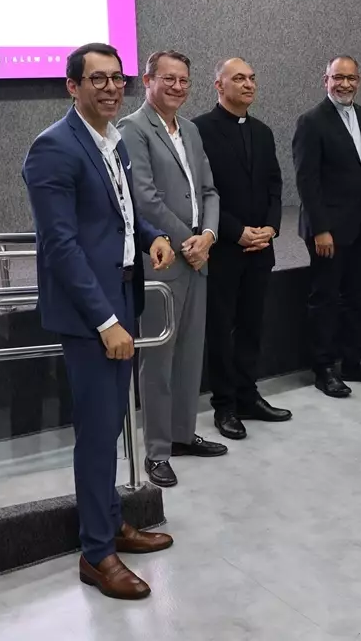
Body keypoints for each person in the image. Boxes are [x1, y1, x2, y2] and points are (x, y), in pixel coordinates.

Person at [22, 42, 177, 600]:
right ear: (72, 86)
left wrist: (153, 237)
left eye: (117, 79)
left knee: (111, 426)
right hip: (93, 315)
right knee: (95, 435)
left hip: (122, 299)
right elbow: (61, 247)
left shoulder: (113, 141)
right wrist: (107, 320)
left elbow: (122, 213)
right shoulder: (53, 148)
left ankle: (111, 524)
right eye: (98, 79)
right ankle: (95, 553)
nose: (112, 88)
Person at [118, 50, 227, 488]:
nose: (178, 87)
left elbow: (210, 191)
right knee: (158, 360)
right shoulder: (133, 128)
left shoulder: (192, 130)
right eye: (168, 79)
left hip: (198, 255)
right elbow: (145, 198)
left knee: (189, 352)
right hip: (163, 259)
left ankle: (183, 434)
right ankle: (158, 450)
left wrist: (209, 236)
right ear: (148, 81)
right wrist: (189, 242)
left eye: (183, 80)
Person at [193, 58, 292, 441]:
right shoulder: (199, 130)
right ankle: (225, 405)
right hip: (223, 247)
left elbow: (274, 185)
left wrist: (271, 227)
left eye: (252, 78)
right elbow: (201, 192)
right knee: (221, 329)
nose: (249, 84)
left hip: (260, 247)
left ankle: (249, 395)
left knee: (252, 325)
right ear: (218, 86)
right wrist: (236, 232)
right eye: (239, 78)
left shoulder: (262, 131)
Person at [292, 56, 361, 397]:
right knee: (325, 298)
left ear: (359, 81)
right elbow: (306, 180)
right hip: (328, 230)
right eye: (338, 78)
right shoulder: (311, 121)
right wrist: (320, 228)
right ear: (326, 80)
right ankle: (324, 368)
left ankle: (352, 359)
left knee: (356, 296)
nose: (345, 84)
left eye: (351, 78)